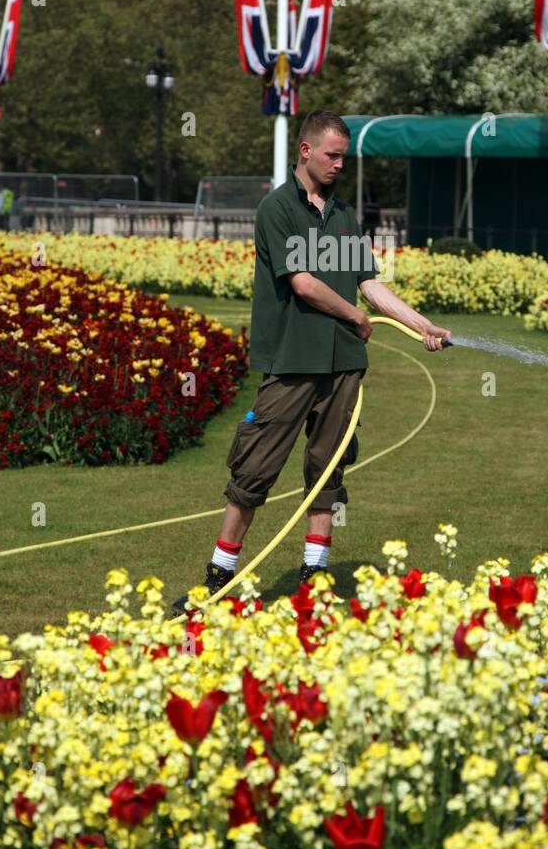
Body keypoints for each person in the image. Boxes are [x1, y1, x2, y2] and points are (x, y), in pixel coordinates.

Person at [171, 109, 450, 610]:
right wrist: (355, 316)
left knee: (328, 472)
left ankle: (314, 578)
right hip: (292, 362)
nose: (340, 164)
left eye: (344, 155)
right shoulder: (277, 209)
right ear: (305, 150)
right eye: (332, 154)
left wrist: (422, 326)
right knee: (253, 470)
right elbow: (302, 283)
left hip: (344, 366)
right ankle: (219, 577)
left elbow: (371, 284)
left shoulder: (343, 216)